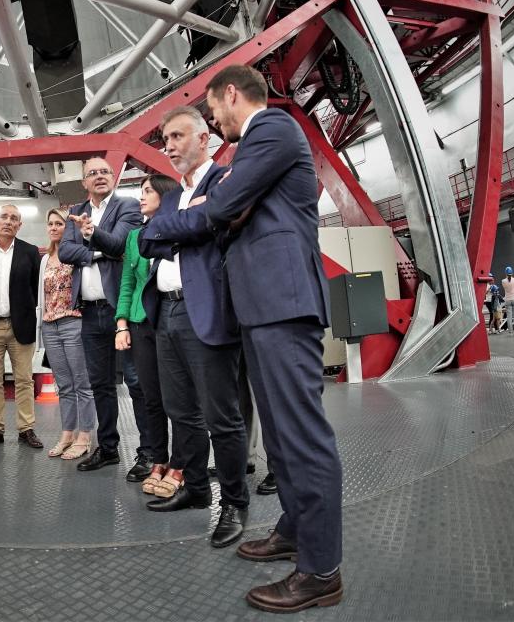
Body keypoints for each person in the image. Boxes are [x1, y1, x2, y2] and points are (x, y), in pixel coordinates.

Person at [196, 65, 344, 612]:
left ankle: (321, 570)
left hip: (283, 303)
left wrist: (218, 209)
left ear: (232, 93)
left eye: (213, 109)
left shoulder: (273, 128)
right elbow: (231, 208)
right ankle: (294, 528)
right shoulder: (253, 147)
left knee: (301, 435)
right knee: (280, 437)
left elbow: (222, 207)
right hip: (263, 307)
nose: (213, 121)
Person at [137, 106, 250, 551]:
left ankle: (235, 503)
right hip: (165, 312)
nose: (170, 146)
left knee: (222, 416)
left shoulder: (222, 181)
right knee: (180, 411)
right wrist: (184, 224)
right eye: (166, 138)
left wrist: (178, 227)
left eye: (179, 136)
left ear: (205, 139)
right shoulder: (170, 197)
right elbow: (145, 239)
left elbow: (210, 222)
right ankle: (198, 489)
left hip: (205, 311)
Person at [59, 156, 149, 476]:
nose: (99, 176)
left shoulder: (127, 206)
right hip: (90, 311)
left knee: (137, 382)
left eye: (104, 172)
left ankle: (148, 453)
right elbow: (64, 252)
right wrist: (98, 252)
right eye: (92, 173)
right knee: (100, 385)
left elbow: (121, 242)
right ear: (83, 182)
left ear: (114, 177)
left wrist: (93, 234)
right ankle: (109, 448)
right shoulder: (77, 211)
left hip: (120, 311)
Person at [115, 174, 179, 492]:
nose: (141, 197)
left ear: (164, 195)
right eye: (140, 191)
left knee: (179, 398)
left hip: (170, 320)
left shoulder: (177, 229)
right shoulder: (134, 237)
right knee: (150, 397)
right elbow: (128, 282)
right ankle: (158, 458)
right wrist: (122, 323)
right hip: (141, 324)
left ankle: (180, 465)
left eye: (148, 191)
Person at [0, 205, 43, 450]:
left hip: (21, 325)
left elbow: (37, 289)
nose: (8, 221)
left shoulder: (29, 252)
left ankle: (26, 429)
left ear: (20, 225)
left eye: (14, 218)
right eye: (4, 217)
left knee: (24, 379)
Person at [39, 207, 96, 459]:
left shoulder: (75, 255)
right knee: (63, 385)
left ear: (68, 227)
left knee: (81, 383)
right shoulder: (44, 260)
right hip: (50, 325)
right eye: (50, 224)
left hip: (74, 322)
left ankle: (85, 436)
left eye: (59, 224)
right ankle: (67, 433)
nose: (53, 228)